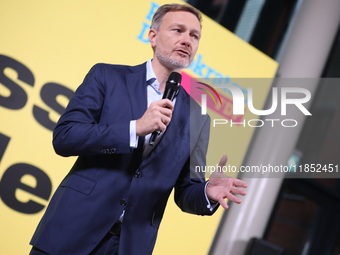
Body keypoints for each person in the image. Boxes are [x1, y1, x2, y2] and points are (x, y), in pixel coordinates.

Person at [29, 3, 247, 255]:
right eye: (178, 30)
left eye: (194, 35)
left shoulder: (199, 117)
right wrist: (135, 128)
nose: (187, 40)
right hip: (70, 232)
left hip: (129, 246)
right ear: (152, 36)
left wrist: (206, 192)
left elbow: (186, 191)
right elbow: (66, 137)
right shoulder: (107, 77)